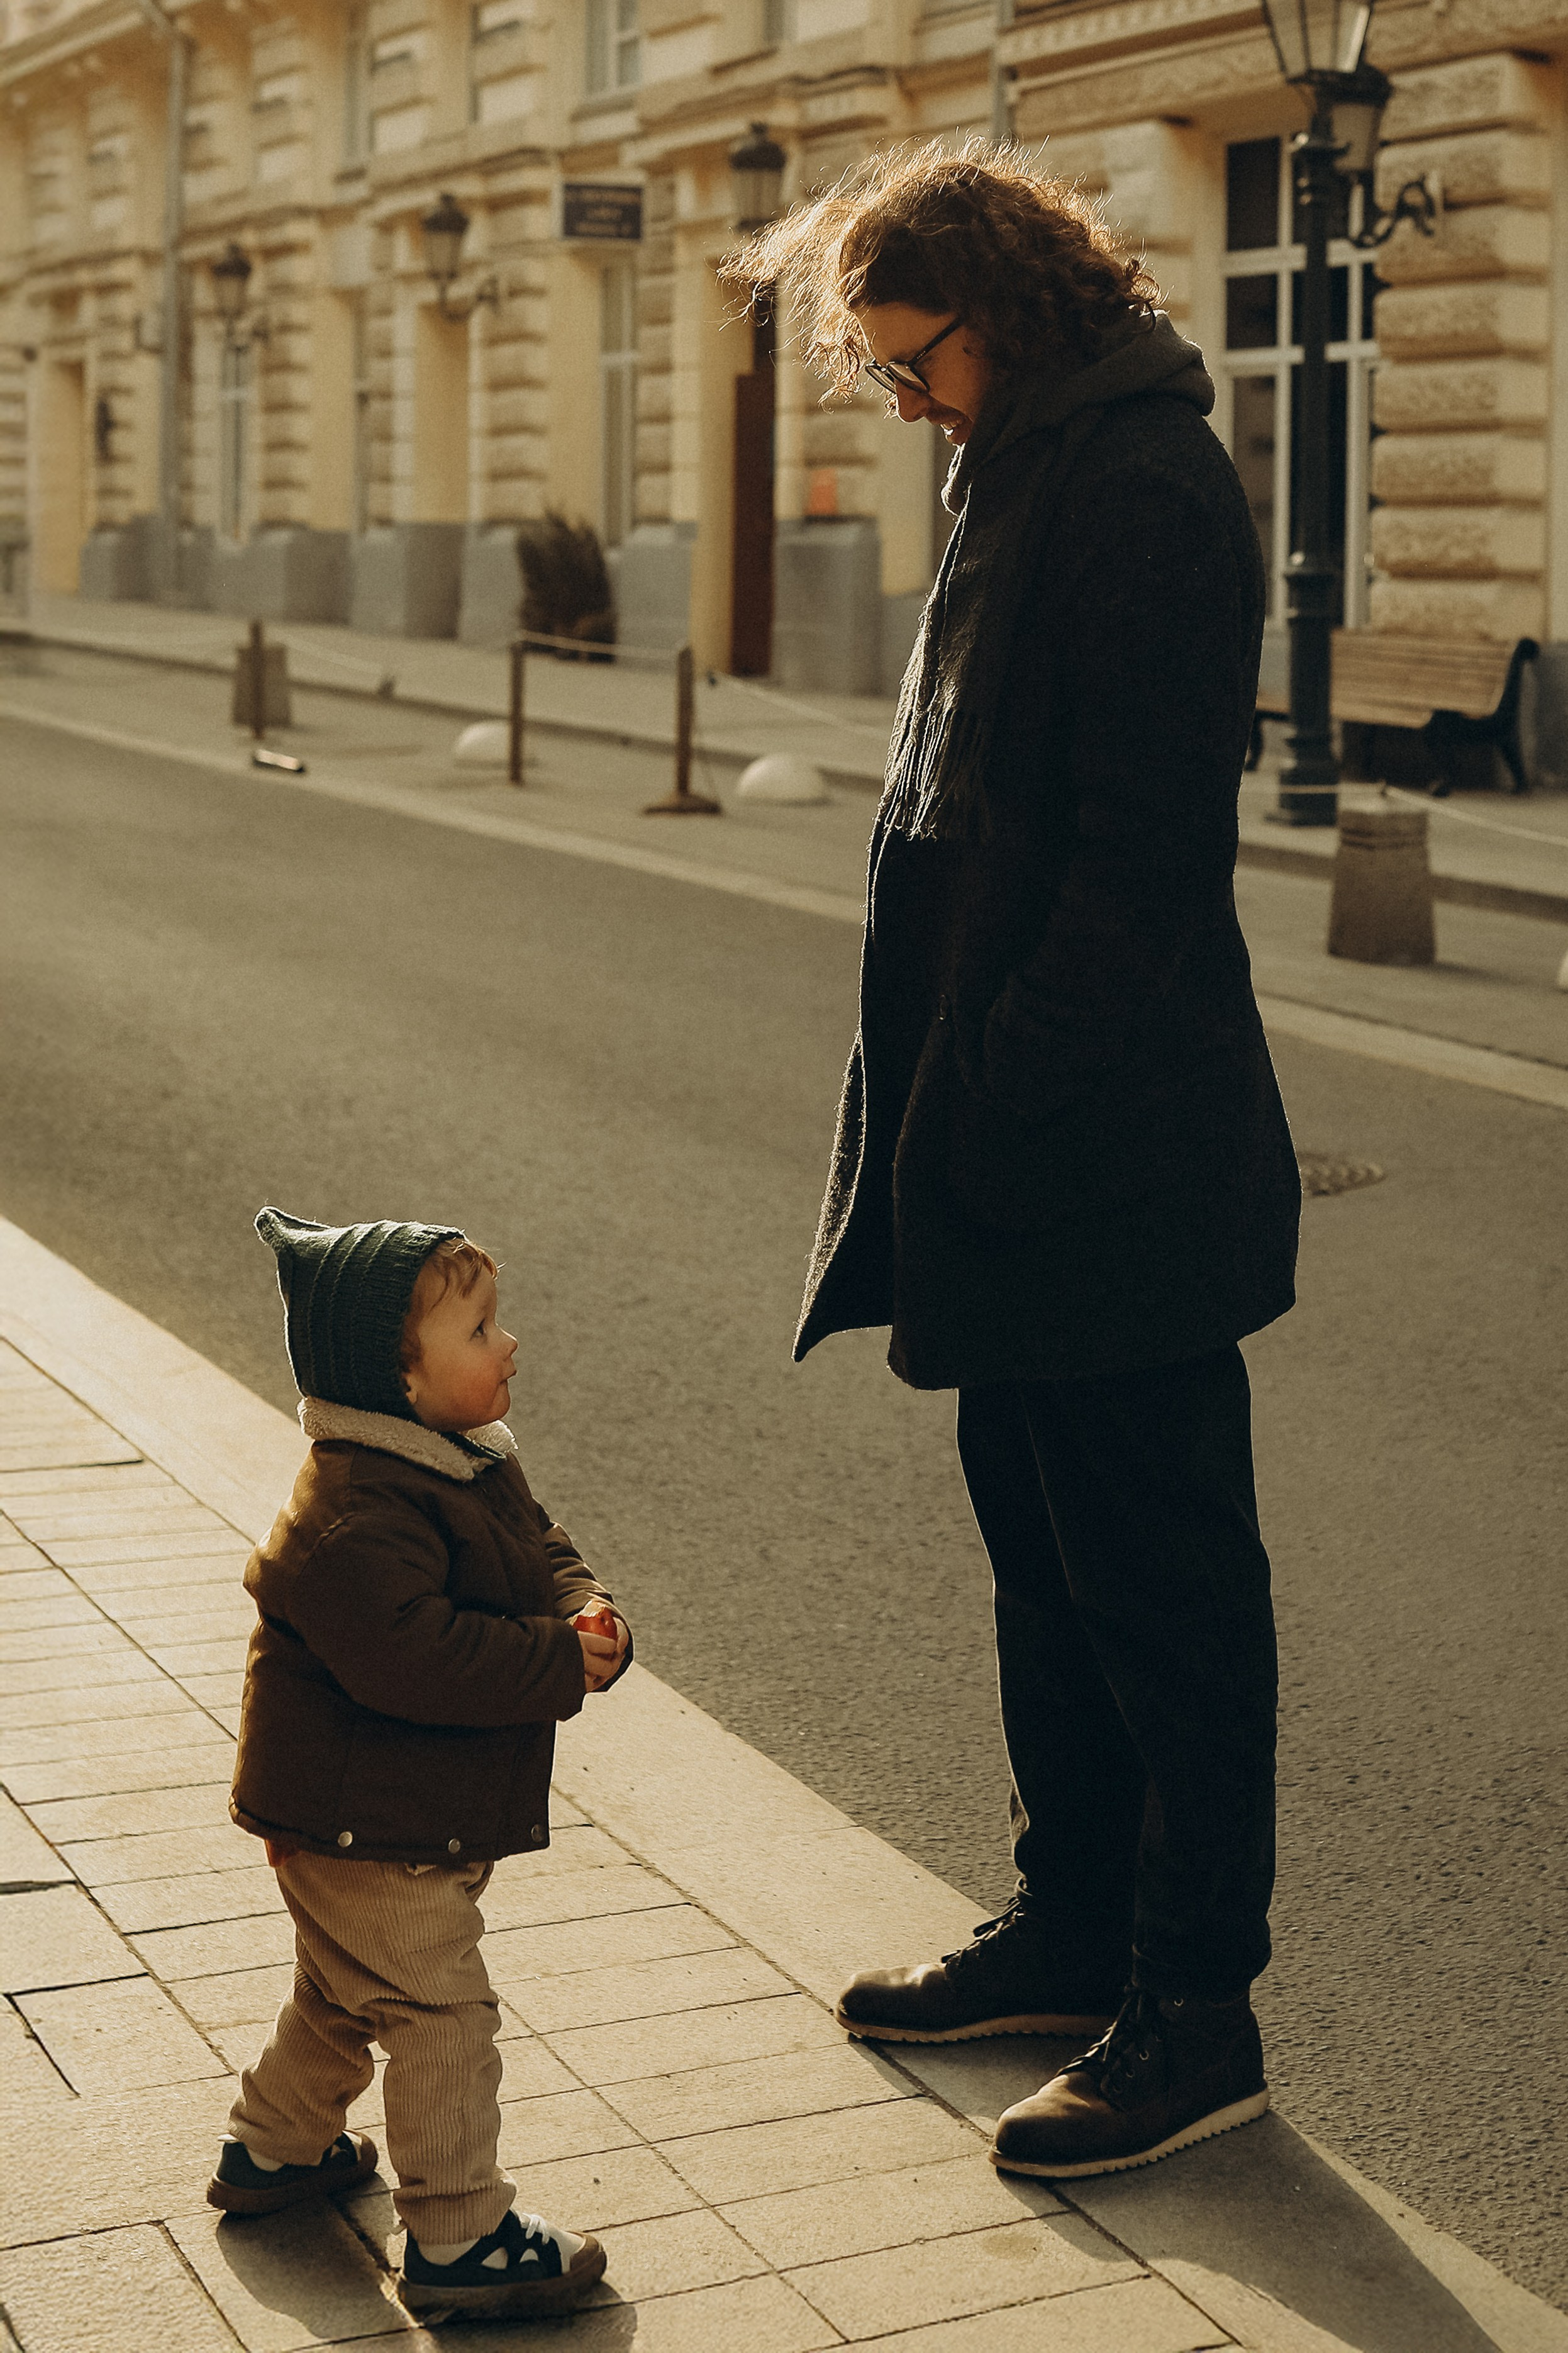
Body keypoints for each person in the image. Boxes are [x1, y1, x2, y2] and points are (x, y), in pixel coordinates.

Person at [728, 144, 1302, 2179]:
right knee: (1046, 1579)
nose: (904, 407)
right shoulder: (1012, 453)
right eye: (880, 378)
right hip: (1004, 1148)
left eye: (914, 365)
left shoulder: (1141, 485)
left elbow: (1140, 871)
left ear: (1011, 306)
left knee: (1162, 1593)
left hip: (1111, 1156)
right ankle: (1069, 1930)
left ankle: (1191, 2011)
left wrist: (1005, 1096)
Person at [208, 1207, 630, 2317]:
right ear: (394, 1378)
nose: (509, 1344)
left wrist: (580, 1609)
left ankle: (274, 2149)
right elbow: (417, 1662)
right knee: (440, 2015)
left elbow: (537, 1541)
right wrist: (556, 1662)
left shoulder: (461, 1458)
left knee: (347, 1991)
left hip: (385, 1816)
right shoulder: (355, 1515)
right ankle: (458, 2234)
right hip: (362, 1824)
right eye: (480, 1330)